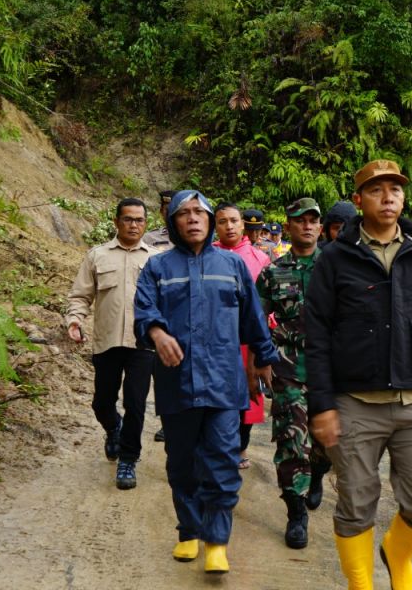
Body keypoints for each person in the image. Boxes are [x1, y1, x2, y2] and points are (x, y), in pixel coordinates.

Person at [304, 159, 412, 590]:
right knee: (356, 504)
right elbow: (317, 335)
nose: (388, 197)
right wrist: (322, 405)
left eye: (395, 190)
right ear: (359, 199)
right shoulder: (335, 259)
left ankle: (398, 557)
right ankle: (361, 583)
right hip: (355, 404)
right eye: (377, 190)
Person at [134, 190, 277, 575]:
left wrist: (265, 357)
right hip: (176, 383)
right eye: (184, 213)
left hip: (223, 384)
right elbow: (143, 311)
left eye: (200, 212)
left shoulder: (231, 265)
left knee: (222, 463)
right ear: (173, 222)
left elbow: (253, 318)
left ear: (211, 220)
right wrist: (158, 333)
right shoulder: (158, 268)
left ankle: (216, 540)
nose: (193, 218)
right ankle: (188, 531)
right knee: (181, 463)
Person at [66, 198, 160, 490]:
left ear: (146, 224)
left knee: (135, 403)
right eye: (128, 219)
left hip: (142, 344)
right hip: (106, 342)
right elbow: (80, 295)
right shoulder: (97, 256)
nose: (134, 225)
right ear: (116, 222)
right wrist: (74, 320)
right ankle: (112, 428)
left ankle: (128, 460)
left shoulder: (157, 260)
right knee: (101, 402)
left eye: (139, 220)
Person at [256, 198, 332, 550]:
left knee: (327, 443)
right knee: (290, 442)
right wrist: (261, 359)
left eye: (312, 220)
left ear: (320, 226)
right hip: (288, 368)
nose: (306, 225)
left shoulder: (336, 269)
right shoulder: (272, 273)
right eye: (299, 220)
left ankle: (317, 473)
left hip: (330, 370)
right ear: (288, 226)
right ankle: (296, 513)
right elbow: (257, 320)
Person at [214, 203, 272, 470]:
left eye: (234, 221)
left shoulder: (260, 259)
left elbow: (267, 306)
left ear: (242, 226)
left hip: (247, 341)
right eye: (223, 221)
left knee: (248, 398)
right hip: (214, 339)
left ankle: (241, 447)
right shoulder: (206, 254)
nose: (230, 226)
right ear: (215, 225)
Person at [143, 190, 175, 443]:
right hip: (157, 315)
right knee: (161, 373)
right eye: (166, 206)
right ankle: (167, 420)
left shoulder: (195, 237)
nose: (169, 210)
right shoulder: (149, 239)